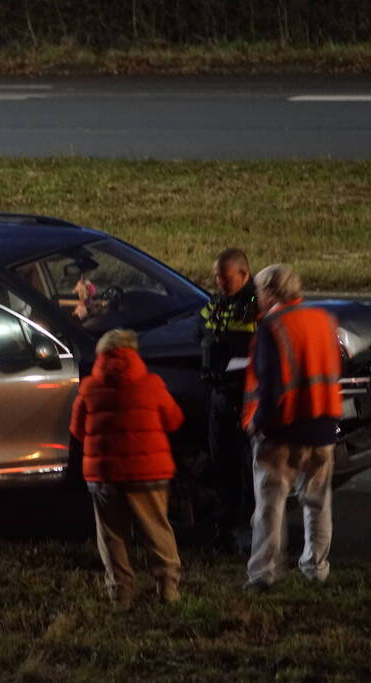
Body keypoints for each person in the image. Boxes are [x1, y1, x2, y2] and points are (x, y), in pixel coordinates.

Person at [241, 264, 342, 590]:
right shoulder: (324, 320)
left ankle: (263, 574)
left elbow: (270, 387)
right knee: (318, 502)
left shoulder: (272, 327)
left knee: (270, 504)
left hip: (284, 430)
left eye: (258, 292)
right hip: (324, 424)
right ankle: (316, 568)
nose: (257, 299)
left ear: (270, 292)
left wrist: (258, 424)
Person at [70, 329, 184, 609]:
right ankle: (168, 588)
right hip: (149, 473)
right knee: (157, 529)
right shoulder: (152, 384)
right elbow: (174, 420)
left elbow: (76, 430)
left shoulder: (88, 388)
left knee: (112, 534)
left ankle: (120, 594)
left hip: (105, 474)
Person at [199, 247, 258, 553]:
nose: (219, 282)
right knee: (221, 464)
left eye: (225, 277)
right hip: (218, 395)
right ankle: (225, 530)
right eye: (217, 277)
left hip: (242, 398)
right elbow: (203, 332)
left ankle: (248, 531)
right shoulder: (217, 303)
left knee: (245, 469)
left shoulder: (256, 306)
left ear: (243, 274)